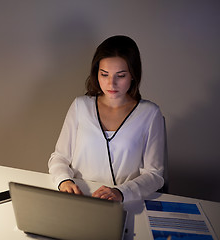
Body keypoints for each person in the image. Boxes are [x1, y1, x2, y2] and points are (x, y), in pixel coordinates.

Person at [48, 35, 165, 202]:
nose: (111, 83)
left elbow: (154, 175)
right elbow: (59, 157)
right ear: (97, 73)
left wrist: (122, 192)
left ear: (133, 75)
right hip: (79, 200)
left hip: (123, 203)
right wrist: (64, 181)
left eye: (121, 75)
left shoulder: (150, 114)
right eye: (104, 74)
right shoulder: (80, 106)